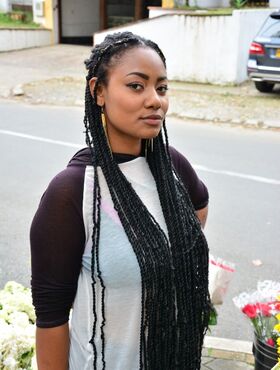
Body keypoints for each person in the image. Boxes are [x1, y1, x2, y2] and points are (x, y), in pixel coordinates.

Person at [30, 31, 211, 370]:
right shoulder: (72, 192)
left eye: (162, 87)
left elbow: (198, 210)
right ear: (98, 91)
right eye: (136, 86)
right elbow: (51, 318)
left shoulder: (173, 167)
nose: (155, 99)